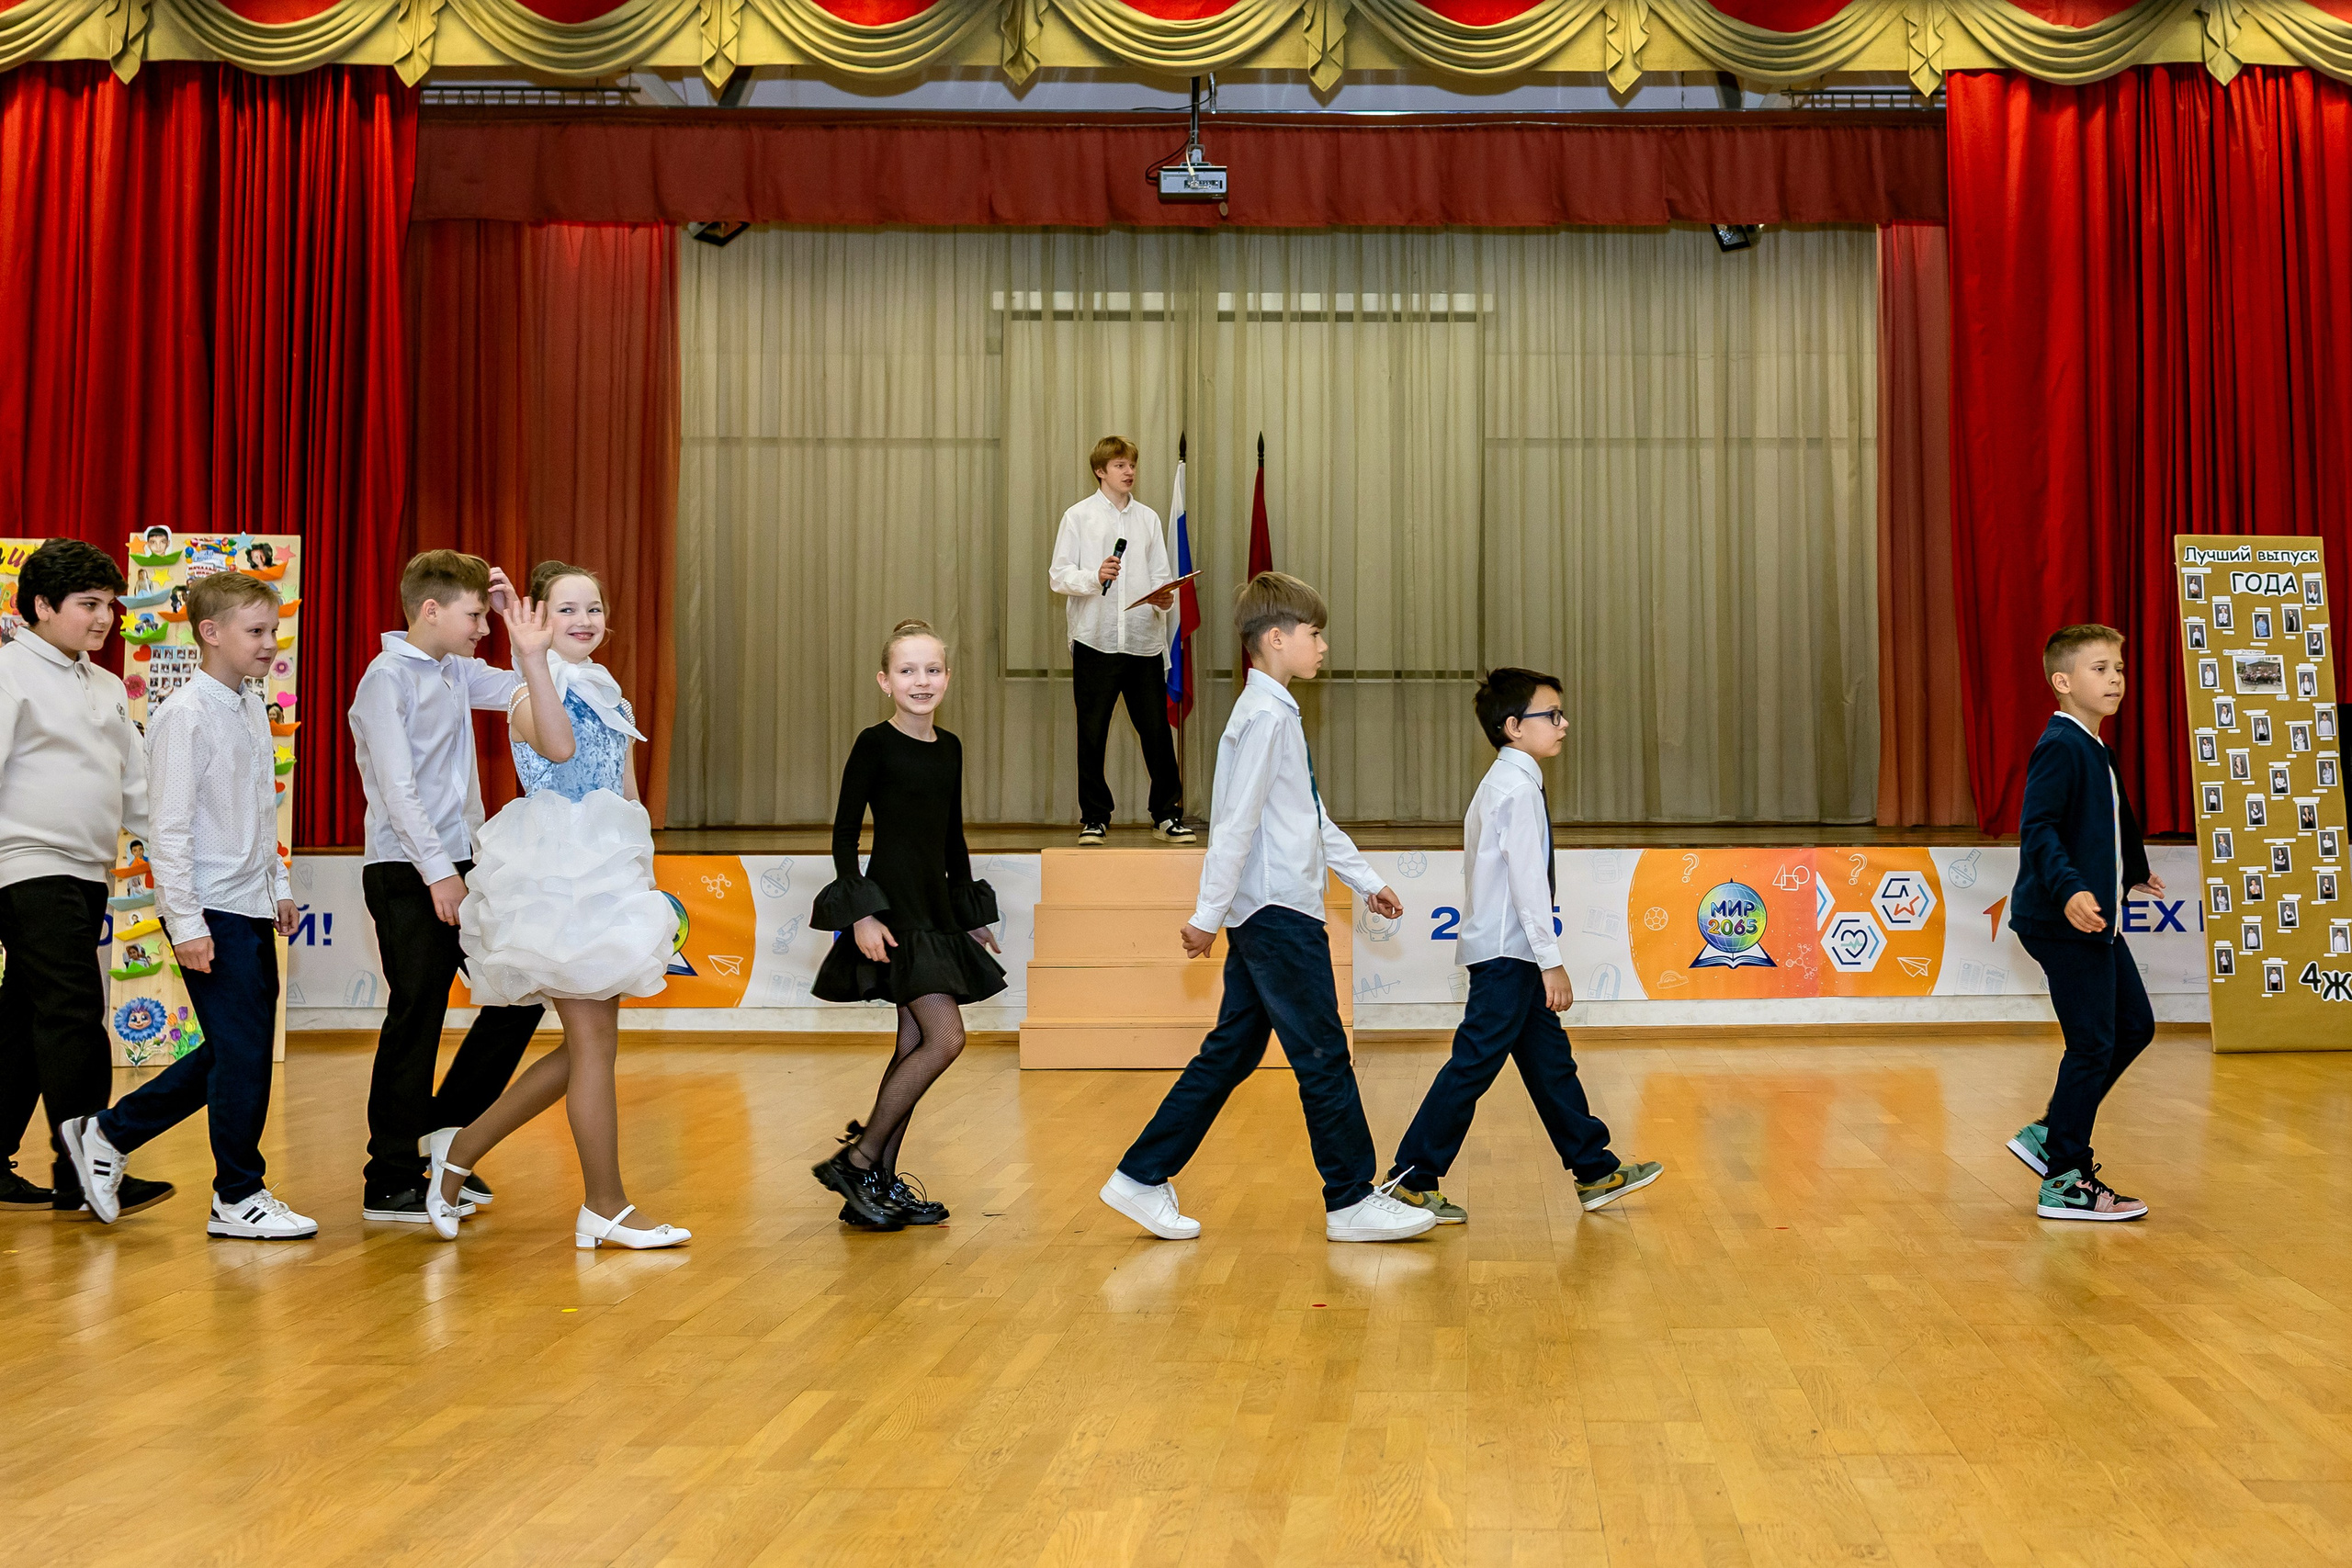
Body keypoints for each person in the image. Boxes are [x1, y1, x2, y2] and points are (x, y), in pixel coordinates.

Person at [1099, 572, 1432, 1245]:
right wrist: (1205, 913)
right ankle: (1349, 1199)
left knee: (1231, 1052)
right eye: (1314, 633)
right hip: (1277, 915)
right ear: (1275, 639)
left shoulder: (1276, 712)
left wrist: (1365, 878)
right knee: (1322, 1053)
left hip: (1274, 911)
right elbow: (1235, 824)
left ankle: (1139, 1175)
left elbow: (1307, 814)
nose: (1323, 645)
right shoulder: (1261, 717)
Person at [421, 562, 686, 1250]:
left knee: (589, 1047)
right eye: (566, 608)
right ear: (535, 616)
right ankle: (604, 1204)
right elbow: (561, 748)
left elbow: (627, 788)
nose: (584, 619)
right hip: (557, 872)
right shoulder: (522, 690)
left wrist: (641, 878)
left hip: (605, 870)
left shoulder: (605, 684)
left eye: (593, 607)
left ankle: (459, 1150)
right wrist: (531, 659)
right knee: (593, 1047)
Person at [58, 571, 312, 1238]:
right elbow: (166, 828)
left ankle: (107, 1133)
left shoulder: (251, 704)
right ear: (210, 633)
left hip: (251, 905)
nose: (269, 642)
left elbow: (260, 809)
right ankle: (237, 1193)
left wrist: (279, 888)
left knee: (238, 1050)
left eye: (272, 629)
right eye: (256, 630)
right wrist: (188, 921)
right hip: (210, 910)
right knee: (244, 1051)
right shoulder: (183, 714)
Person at [1385, 669, 1665, 1224]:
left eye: (1562, 714)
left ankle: (1593, 1169)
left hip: (1508, 952)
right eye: (1551, 716)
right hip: (1509, 955)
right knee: (1471, 1067)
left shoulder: (1510, 783)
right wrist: (1551, 962)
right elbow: (1528, 887)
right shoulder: (1514, 789)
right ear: (1513, 727)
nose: (1564, 725)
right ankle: (1410, 1179)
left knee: (1549, 1063)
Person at [347, 550, 556, 1224]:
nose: (482, 629)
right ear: (430, 611)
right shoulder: (386, 678)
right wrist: (438, 873)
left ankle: (444, 1132)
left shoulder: (454, 671)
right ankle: (389, 1176)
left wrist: (506, 613)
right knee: (418, 1014)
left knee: (519, 993)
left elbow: (527, 685)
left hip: (460, 862)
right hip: (407, 869)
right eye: (473, 615)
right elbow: (398, 790)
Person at [808, 619, 1005, 1231]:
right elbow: (844, 833)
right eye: (908, 670)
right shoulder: (875, 743)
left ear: (947, 676)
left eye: (933, 669)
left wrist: (969, 919)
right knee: (946, 1039)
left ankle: (875, 1187)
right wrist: (861, 912)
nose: (922, 681)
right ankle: (859, 1159)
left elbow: (951, 836)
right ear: (885, 680)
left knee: (914, 1044)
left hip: (935, 910)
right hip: (894, 913)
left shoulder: (950, 747)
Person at [0, 540, 173, 1218]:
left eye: (111, 604)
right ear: (42, 606)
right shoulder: (10, 671)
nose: (106, 618)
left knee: (25, 1017)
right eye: (88, 604)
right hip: (23, 865)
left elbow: (138, 794)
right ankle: (84, 1170)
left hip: (84, 870)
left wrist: (182, 858)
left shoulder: (104, 685)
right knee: (74, 1012)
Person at [2004, 624, 2163, 1222]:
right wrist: (2070, 888)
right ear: (2063, 682)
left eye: (2119, 667)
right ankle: (2065, 1178)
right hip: (2061, 917)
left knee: (2134, 1026)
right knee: (2093, 1043)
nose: (2116, 678)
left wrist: (2137, 869)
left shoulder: (2095, 747)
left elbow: (2116, 820)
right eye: (2100, 668)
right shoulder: (2061, 745)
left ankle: (2052, 1133)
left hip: (2096, 917)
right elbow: (2039, 827)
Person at [1047, 436, 1192, 848]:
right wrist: (1095, 577)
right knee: (1092, 734)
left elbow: (1162, 575)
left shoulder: (1147, 519)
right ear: (1100, 471)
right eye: (1119, 465)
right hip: (1095, 641)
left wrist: (1165, 596)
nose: (1129, 472)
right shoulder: (1078, 517)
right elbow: (1058, 576)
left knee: (1156, 734)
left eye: (1131, 465)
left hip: (1143, 642)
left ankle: (1166, 815)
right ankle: (1094, 818)